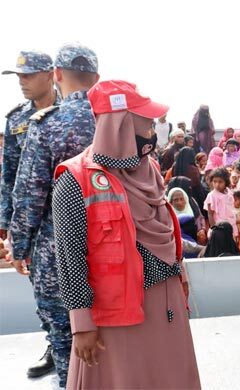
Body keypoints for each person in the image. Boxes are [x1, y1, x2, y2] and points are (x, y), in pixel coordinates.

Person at [52, 80, 200, 389]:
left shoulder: (150, 170)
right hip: (117, 322)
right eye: (146, 124)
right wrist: (81, 325)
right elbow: (70, 258)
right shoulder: (75, 181)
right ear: (120, 125)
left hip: (166, 311)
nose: (152, 133)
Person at [9, 45, 100, 387]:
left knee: (64, 338)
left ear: (57, 75)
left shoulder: (47, 125)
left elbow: (30, 194)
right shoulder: (119, 122)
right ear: (97, 78)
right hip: (116, 249)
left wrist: (19, 246)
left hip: (59, 250)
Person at [0, 50, 60, 379]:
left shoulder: (74, 111)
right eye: (18, 76)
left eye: (28, 75)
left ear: (50, 74)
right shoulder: (16, 120)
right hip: (35, 222)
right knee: (44, 287)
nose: (22, 81)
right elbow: (9, 176)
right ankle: (56, 345)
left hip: (73, 216)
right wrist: (8, 226)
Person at [204, 167, 238, 239]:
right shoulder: (211, 196)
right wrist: (214, 229)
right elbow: (210, 214)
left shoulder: (228, 192)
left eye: (220, 182)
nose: (217, 184)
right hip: (220, 227)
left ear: (226, 182)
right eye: (214, 181)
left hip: (231, 224)